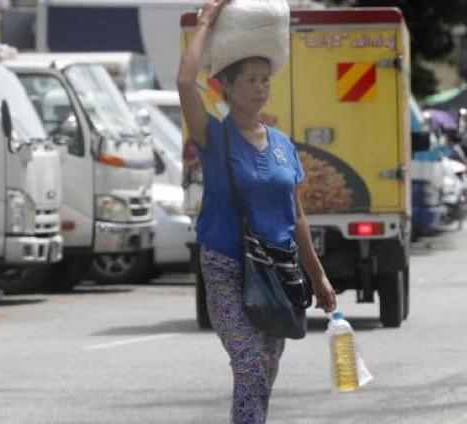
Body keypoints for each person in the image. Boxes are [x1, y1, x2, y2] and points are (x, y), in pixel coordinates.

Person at [177, 0, 337, 422]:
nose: (260, 87)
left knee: (264, 371)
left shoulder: (283, 144)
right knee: (248, 364)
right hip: (226, 266)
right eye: (250, 79)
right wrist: (205, 24)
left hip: (278, 270)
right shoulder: (213, 136)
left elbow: (296, 215)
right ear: (226, 86)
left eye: (265, 80)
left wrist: (317, 274)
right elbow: (183, 81)